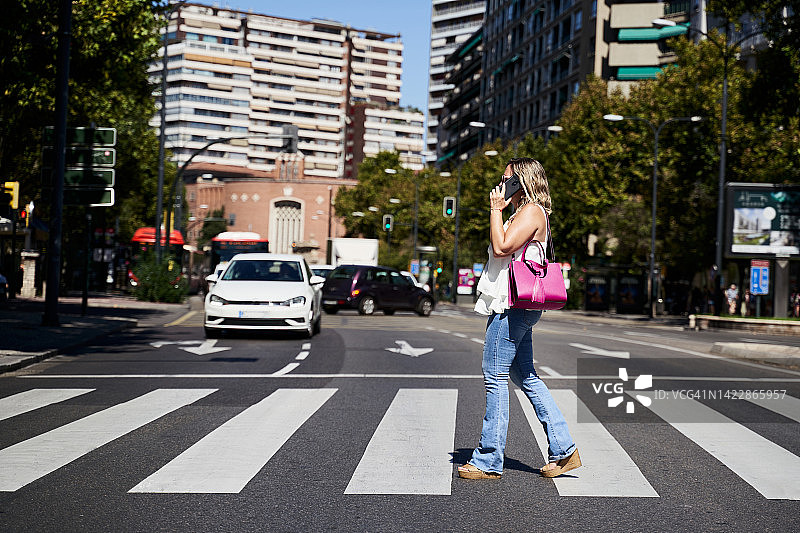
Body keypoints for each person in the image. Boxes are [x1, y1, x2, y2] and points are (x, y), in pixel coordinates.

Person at [458, 158, 580, 480]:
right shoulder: (524, 212)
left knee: (494, 374)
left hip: (513, 305)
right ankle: (564, 449)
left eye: (508, 179)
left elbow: (501, 248)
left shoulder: (530, 211)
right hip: (517, 304)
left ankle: (488, 460)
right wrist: (501, 211)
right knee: (525, 375)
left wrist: (495, 210)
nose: (502, 183)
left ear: (522, 182)